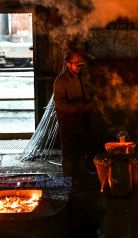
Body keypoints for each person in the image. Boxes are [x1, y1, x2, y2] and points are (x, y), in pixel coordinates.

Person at [54, 50, 95, 186]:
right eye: (76, 64)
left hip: (82, 121)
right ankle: (69, 180)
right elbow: (61, 104)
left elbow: (86, 94)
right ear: (68, 64)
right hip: (69, 123)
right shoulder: (61, 82)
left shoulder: (81, 77)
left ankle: (81, 176)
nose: (78, 67)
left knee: (82, 149)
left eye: (80, 65)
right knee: (70, 152)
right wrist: (81, 107)